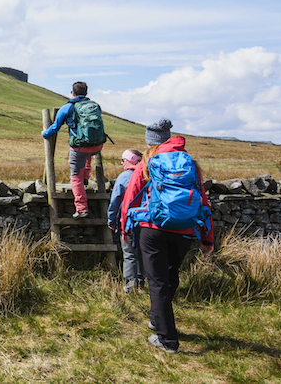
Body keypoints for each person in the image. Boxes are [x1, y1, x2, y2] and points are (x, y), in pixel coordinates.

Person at [120, 118, 214, 354]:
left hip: (152, 229)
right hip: (184, 230)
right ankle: (158, 320)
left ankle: (167, 339)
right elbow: (202, 200)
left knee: (158, 283)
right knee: (171, 277)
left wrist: (125, 228)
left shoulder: (147, 163)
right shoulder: (189, 163)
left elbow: (130, 197)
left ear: (150, 141)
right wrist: (207, 237)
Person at [41, 81, 105, 218]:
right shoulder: (94, 106)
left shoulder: (67, 108)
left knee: (76, 178)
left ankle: (82, 209)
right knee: (87, 154)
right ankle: (86, 178)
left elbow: (55, 127)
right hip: (97, 146)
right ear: (86, 93)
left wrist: (44, 133)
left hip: (79, 148)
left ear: (73, 93)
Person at [108, 149, 144, 293]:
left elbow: (115, 200)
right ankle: (141, 283)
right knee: (141, 252)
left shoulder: (124, 176)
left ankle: (130, 286)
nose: (122, 163)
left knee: (129, 254)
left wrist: (111, 219)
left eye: (123, 160)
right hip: (146, 220)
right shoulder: (146, 175)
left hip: (128, 220)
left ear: (130, 160)